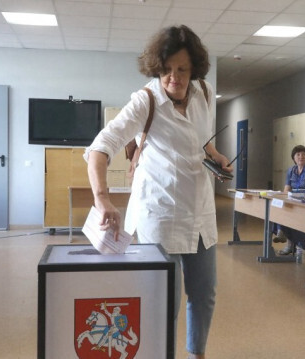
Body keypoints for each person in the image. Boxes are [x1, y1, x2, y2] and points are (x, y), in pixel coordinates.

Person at [84, 25, 231, 359]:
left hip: (200, 215)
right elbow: (100, 148)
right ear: (157, 68)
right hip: (161, 215)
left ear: (194, 70)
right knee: (166, 299)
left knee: (204, 294)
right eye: (166, 71)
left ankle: (197, 354)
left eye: (182, 70)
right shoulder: (146, 101)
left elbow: (203, 139)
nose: (173, 79)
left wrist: (216, 157)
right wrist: (102, 198)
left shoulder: (204, 93)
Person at [276, 145, 305, 256]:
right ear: (294, 157)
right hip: (293, 200)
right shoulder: (291, 170)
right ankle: (283, 234)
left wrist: (300, 196)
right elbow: (286, 190)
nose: (301, 156)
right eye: (298, 154)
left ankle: (293, 243)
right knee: (282, 208)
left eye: (304, 154)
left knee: (292, 215)